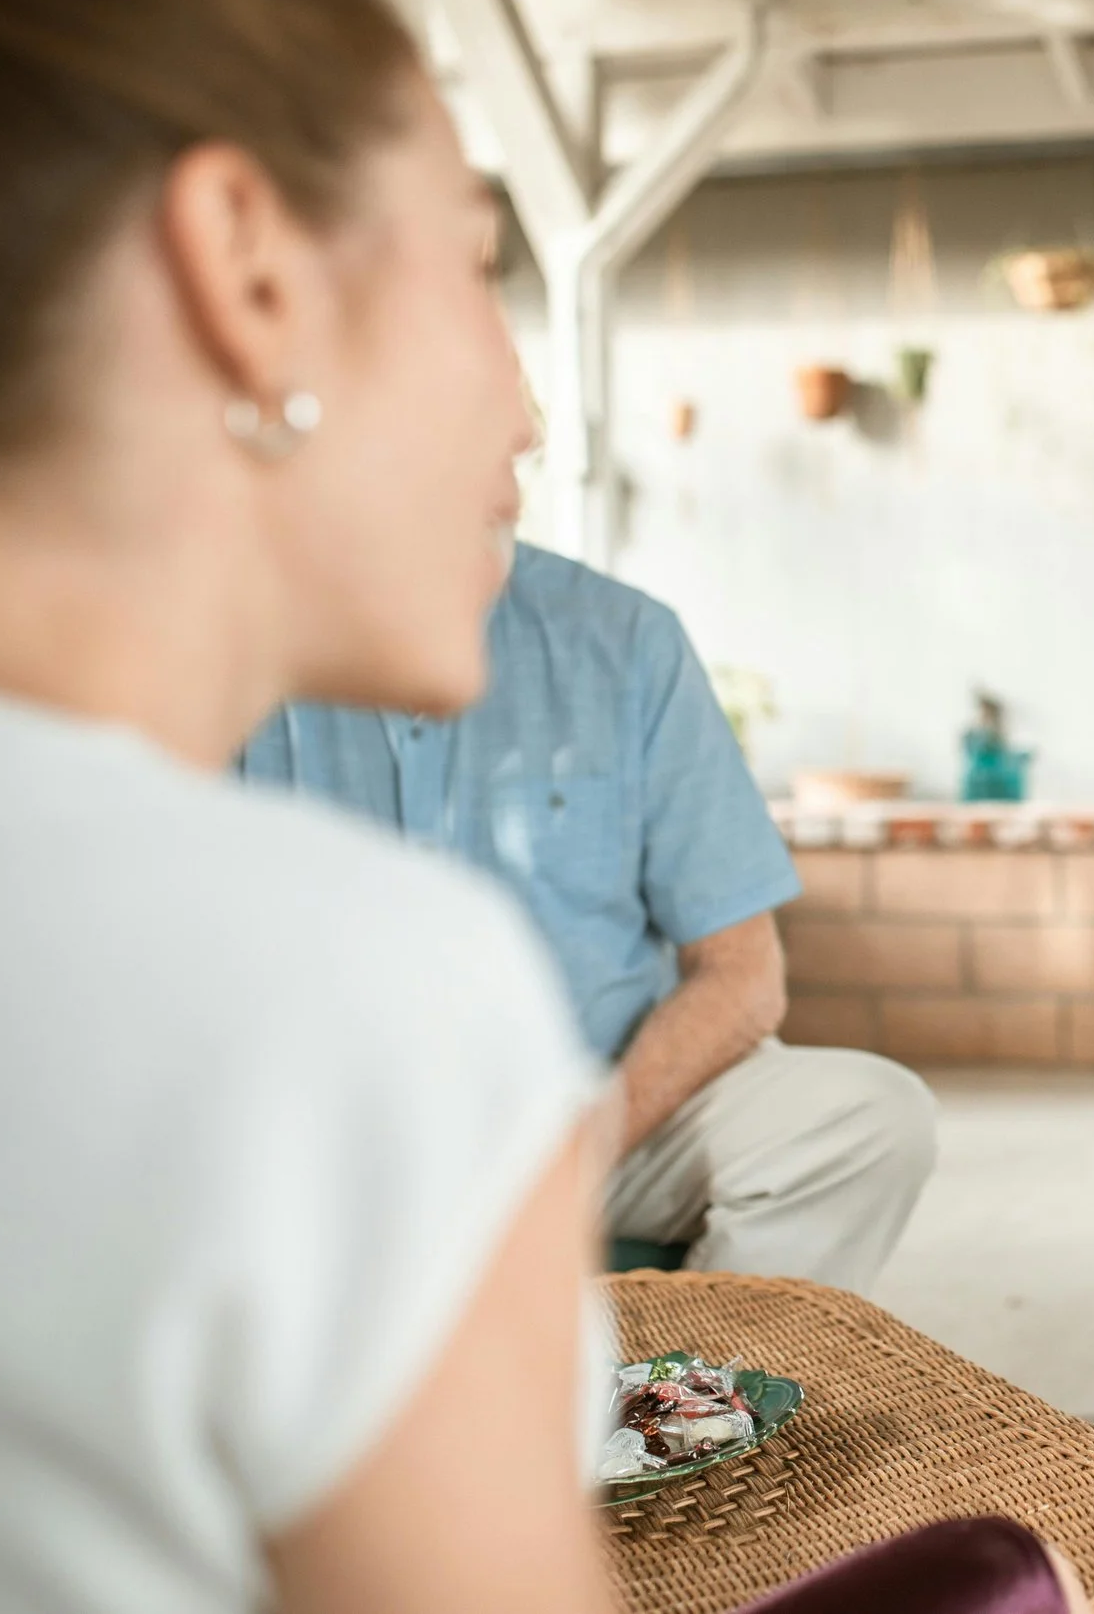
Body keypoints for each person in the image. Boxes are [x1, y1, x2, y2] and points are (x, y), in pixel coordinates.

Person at [0, 0, 1081, 1612]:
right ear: (246, 272)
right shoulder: (359, 987)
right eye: (473, 260)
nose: (512, 402)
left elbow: (740, 967)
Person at [238, 536, 937, 1293]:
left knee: (869, 1121)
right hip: (331, 1128)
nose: (516, 453)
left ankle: (688, 1394)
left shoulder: (623, 637)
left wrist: (583, 1148)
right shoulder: (232, 636)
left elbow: (743, 973)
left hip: (603, 1112)